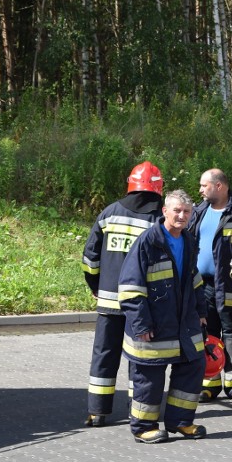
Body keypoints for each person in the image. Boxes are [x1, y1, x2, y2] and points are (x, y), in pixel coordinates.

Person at [118, 189, 208, 443]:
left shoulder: (189, 240)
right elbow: (130, 287)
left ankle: (180, 422)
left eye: (186, 212)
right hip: (154, 325)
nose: (181, 215)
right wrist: (141, 323)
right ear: (164, 211)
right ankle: (143, 427)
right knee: (149, 377)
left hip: (184, 324)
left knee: (193, 366)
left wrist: (201, 312)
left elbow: (194, 281)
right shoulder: (148, 241)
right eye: (176, 210)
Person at [81, 161, 163, 427]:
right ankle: (135, 410)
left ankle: (97, 411)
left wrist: (96, 286)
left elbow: (90, 258)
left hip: (108, 300)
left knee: (104, 354)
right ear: (158, 188)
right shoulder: (156, 220)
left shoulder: (109, 213)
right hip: (140, 304)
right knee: (138, 357)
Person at [188, 168, 232, 402]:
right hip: (203, 285)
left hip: (230, 284)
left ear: (219, 186)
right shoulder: (198, 211)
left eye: (203, 185)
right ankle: (209, 383)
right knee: (208, 333)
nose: (200, 190)